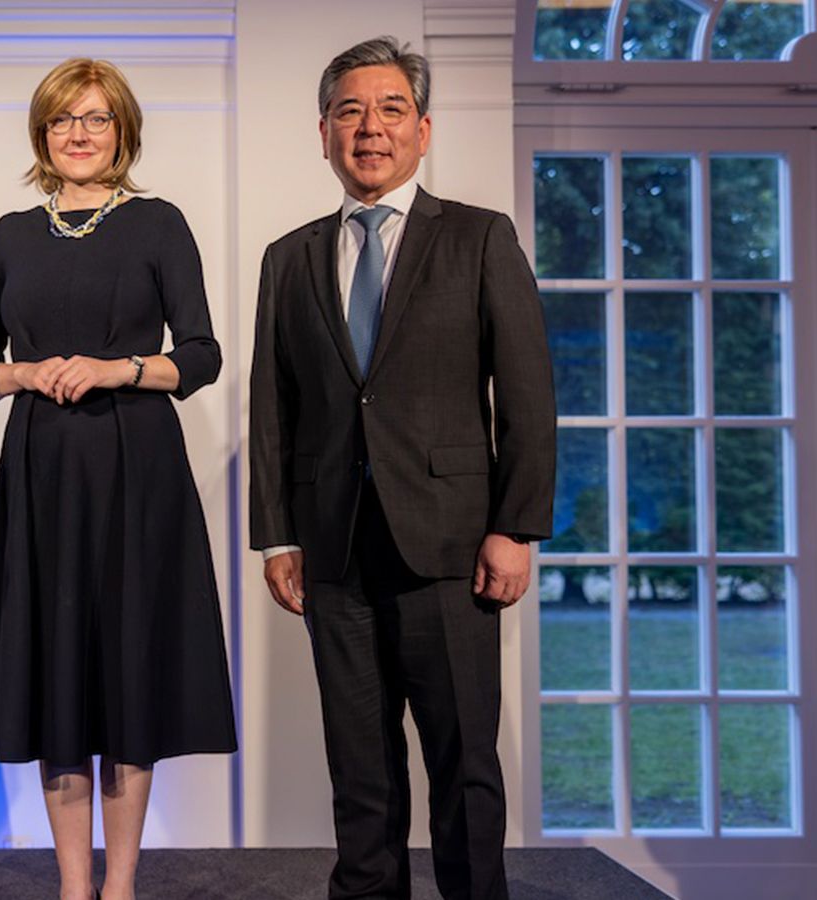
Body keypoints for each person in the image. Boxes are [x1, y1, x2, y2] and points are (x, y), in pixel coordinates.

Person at [248, 36, 556, 900]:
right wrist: (276, 535)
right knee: (360, 768)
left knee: (463, 763)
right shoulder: (289, 256)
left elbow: (527, 393)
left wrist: (515, 527)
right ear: (323, 133)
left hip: (451, 548)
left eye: (390, 110)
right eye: (349, 112)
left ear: (423, 130)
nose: (369, 129)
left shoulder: (479, 238)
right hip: (333, 550)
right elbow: (273, 405)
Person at [0, 57, 237, 900]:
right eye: (62, 120)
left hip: (136, 471)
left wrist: (119, 368)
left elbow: (202, 354)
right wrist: (23, 374)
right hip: (40, 471)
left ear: (123, 131)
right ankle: (72, 886)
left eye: (95, 118)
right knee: (56, 676)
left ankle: (119, 887)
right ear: (41, 134)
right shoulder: (9, 235)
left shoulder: (159, 223)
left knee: (126, 674)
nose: (78, 134)